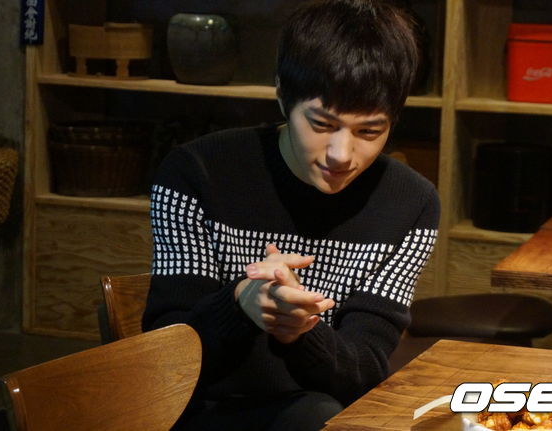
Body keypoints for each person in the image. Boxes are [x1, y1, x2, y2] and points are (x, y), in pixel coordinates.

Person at [142, 0, 439, 429]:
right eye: (321, 125)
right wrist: (240, 303)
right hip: (199, 411)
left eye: (369, 131)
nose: (341, 155)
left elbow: (364, 373)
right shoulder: (196, 174)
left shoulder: (412, 205)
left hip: (322, 412)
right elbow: (163, 359)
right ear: (282, 95)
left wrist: (302, 329)